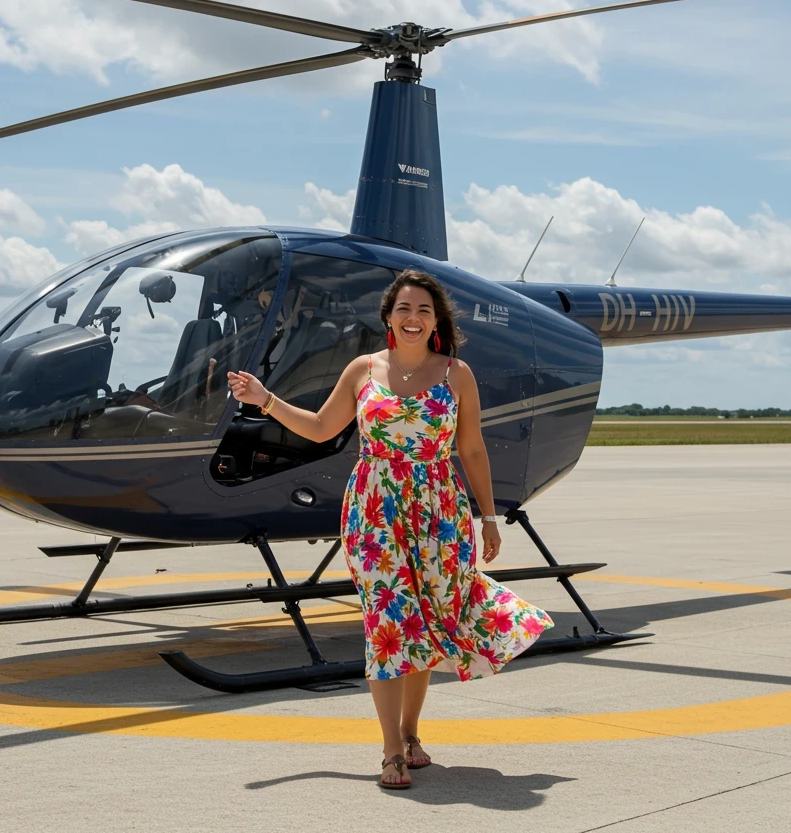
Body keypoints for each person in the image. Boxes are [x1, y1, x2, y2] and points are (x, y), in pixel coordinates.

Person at [227, 269, 553, 789]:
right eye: (404, 308)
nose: (413, 318)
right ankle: (390, 753)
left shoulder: (456, 374)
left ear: (436, 321)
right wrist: (265, 400)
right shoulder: (362, 370)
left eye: (424, 310)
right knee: (387, 623)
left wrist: (488, 517)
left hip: (441, 514)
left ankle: (410, 733)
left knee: (425, 623)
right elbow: (320, 428)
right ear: (388, 316)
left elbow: (471, 449)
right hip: (375, 512)